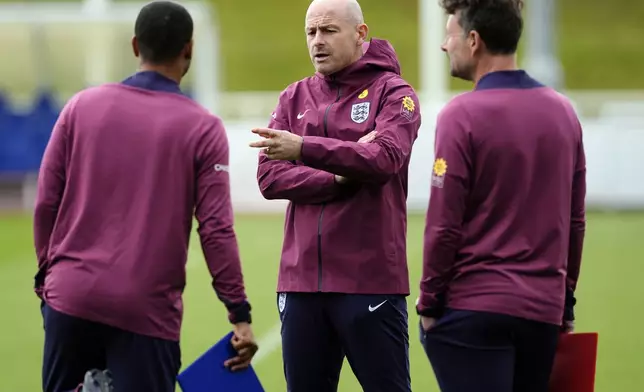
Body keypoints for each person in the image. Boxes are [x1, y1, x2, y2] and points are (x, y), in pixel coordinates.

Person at [33, 2, 258, 391]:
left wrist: (48, 283)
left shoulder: (80, 107)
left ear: (135, 46)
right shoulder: (202, 128)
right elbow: (216, 229)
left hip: (70, 297)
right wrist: (238, 311)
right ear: (189, 49)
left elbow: (46, 202)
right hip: (145, 312)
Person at [248, 0, 421, 391]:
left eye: (328, 31)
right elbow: (270, 179)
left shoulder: (395, 94)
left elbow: (383, 159)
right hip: (299, 284)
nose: (317, 42)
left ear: (361, 34)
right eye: (311, 32)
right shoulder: (294, 96)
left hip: (370, 283)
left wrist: (303, 149)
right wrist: (340, 177)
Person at [415, 1, 586, 391]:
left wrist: (428, 304)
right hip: (541, 313)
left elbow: (443, 224)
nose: (444, 45)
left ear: (473, 41)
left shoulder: (461, 115)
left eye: (449, 34)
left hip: (473, 311)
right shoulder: (564, 113)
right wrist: (566, 301)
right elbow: (575, 221)